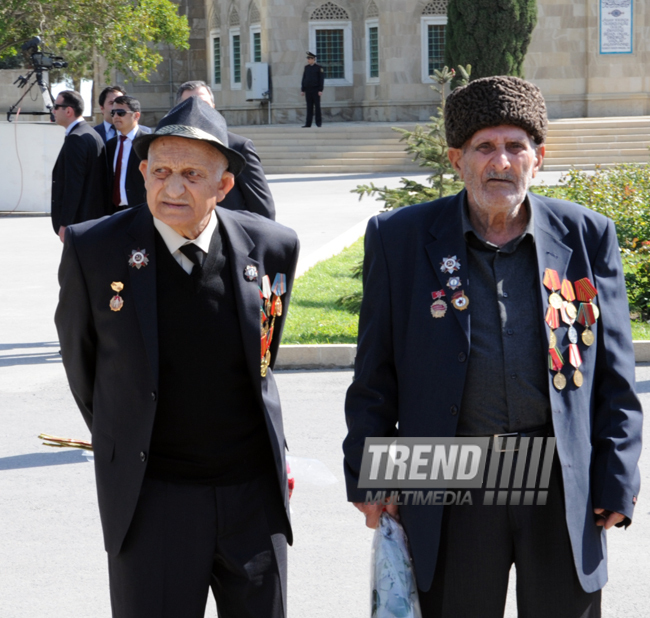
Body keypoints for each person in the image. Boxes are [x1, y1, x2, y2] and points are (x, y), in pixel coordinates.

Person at [343, 76, 642, 617]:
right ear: (458, 159)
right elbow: (374, 372)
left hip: (557, 474)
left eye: (515, 146)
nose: (500, 162)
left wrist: (617, 476)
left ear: (538, 157)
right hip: (447, 470)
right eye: (484, 147)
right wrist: (372, 474)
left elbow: (615, 376)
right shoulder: (400, 237)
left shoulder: (586, 235)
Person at [55, 96, 299, 618]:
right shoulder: (94, 249)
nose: (171, 188)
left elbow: (263, 358)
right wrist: (127, 433)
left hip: (252, 499)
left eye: (191, 174)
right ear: (141, 172)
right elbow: (84, 365)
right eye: (160, 170)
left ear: (224, 185)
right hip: (152, 500)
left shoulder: (272, 247)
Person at [176, 80, 276, 220]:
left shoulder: (238, 147)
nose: (198, 110)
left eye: (204, 104)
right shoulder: (167, 150)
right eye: (189, 105)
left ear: (214, 108)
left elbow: (263, 209)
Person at [51, 90, 111, 242]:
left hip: (79, 223)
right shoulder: (91, 133)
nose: (53, 111)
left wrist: (65, 223)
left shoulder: (76, 138)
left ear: (69, 110)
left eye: (56, 106)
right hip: (91, 221)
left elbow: (73, 185)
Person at [106, 95, 149, 209]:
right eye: (113, 113)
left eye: (120, 113)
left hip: (140, 209)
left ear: (136, 115)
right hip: (113, 210)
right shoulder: (110, 145)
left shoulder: (147, 144)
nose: (115, 116)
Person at [300, 52, 324, 128]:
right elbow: (304, 79)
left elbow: (321, 79)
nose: (308, 60)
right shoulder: (306, 67)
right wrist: (302, 89)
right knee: (309, 107)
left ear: (313, 59)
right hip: (308, 90)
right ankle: (308, 124)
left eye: (310, 59)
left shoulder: (319, 68)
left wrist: (320, 90)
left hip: (316, 90)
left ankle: (318, 123)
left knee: (317, 107)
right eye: (308, 59)